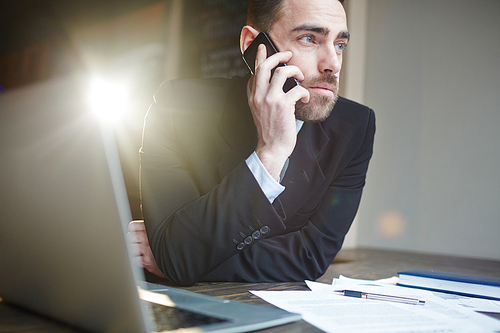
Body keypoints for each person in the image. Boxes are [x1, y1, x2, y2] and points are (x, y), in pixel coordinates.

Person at [128, 0, 375, 286]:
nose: (332, 63)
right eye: (310, 39)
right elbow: (178, 254)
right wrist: (270, 155)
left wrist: (179, 256)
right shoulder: (176, 109)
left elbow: (312, 256)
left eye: (340, 44)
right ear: (253, 44)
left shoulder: (355, 127)